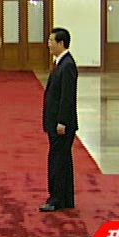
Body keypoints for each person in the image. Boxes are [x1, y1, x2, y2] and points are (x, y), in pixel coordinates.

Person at [40, 27, 78, 212]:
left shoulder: (67, 65)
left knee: (58, 161)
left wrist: (62, 121)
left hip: (61, 124)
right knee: (62, 160)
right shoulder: (61, 63)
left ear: (61, 43)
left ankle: (56, 199)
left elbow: (67, 97)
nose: (48, 45)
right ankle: (65, 198)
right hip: (55, 122)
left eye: (51, 41)